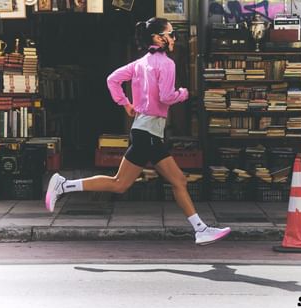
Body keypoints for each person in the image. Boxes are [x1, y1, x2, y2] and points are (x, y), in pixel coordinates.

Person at [45, 17, 231, 246]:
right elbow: (166, 97)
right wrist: (184, 93)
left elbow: (112, 79)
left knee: (123, 184)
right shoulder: (166, 64)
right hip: (149, 133)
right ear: (158, 38)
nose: (174, 38)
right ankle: (200, 229)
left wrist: (125, 103)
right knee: (173, 181)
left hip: (144, 131)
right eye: (171, 34)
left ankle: (64, 185)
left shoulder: (140, 63)